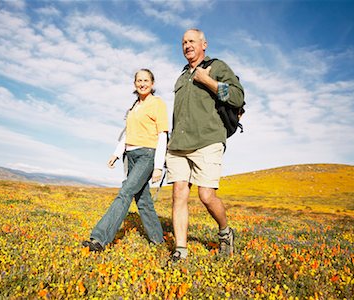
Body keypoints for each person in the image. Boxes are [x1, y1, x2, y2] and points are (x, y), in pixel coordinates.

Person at [166, 29, 244, 260]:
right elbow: (177, 114)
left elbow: (237, 97)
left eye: (192, 41)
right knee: (179, 193)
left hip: (208, 140)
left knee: (207, 196)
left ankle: (225, 233)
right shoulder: (181, 77)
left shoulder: (217, 66)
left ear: (204, 44)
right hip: (179, 144)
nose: (187, 45)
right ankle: (180, 250)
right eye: (183, 42)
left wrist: (207, 80)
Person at [83, 69, 169, 251]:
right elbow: (128, 133)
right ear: (135, 84)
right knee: (143, 201)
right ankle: (158, 240)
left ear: (152, 84)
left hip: (147, 155)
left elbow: (162, 135)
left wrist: (158, 167)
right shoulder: (134, 107)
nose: (142, 83)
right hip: (129, 155)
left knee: (125, 193)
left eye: (146, 80)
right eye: (139, 80)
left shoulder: (157, 103)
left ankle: (99, 238)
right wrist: (116, 153)